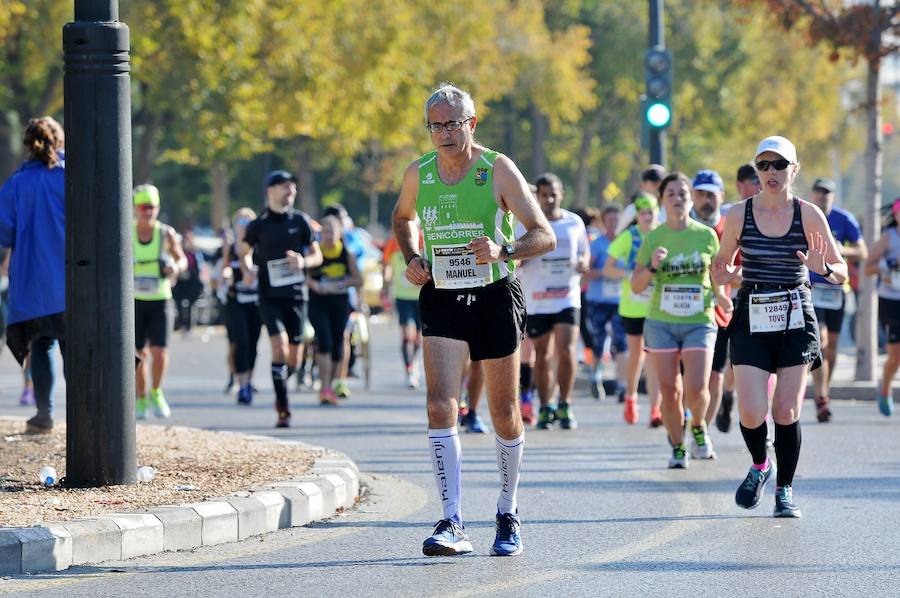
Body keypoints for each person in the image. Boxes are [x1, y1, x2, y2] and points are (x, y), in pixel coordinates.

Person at [392, 83, 554, 557]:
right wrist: (413, 255)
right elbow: (402, 219)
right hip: (441, 294)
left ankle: (507, 510)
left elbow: (543, 235)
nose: (443, 133)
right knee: (441, 403)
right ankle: (452, 520)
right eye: (435, 125)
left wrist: (504, 250)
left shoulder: (497, 169)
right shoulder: (418, 173)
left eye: (452, 123)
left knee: (503, 413)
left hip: (494, 295)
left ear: (472, 123)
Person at [713, 136, 847, 518]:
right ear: (757, 170)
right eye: (764, 165)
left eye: (780, 165)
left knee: (786, 409)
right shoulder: (740, 214)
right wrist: (722, 282)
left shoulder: (809, 215)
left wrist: (822, 268)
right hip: (752, 312)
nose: (771, 173)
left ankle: (785, 490)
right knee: (752, 412)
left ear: (794, 170)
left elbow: (841, 271)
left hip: (794, 313)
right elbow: (721, 268)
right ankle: (760, 464)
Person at [632, 173, 727, 468]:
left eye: (682, 193)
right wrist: (652, 266)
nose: (677, 199)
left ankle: (697, 426)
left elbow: (716, 277)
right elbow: (636, 285)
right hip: (661, 322)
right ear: (663, 200)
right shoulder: (654, 237)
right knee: (670, 392)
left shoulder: (706, 235)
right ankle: (677, 447)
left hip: (699, 319)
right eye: (671, 193)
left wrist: (723, 297)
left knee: (697, 388)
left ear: (690, 199)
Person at [241, 170, 323, 428]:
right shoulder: (258, 225)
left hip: (297, 296)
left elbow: (317, 256)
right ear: (270, 191)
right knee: (279, 347)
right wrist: (247, 269)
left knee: (294, 359)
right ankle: (282, 406)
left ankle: (281, 383)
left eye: (293, 187)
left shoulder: (300, 222)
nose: (291, 191)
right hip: (269, 297)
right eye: (285, 187)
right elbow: (242, 251)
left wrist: (303, 261)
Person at [0, 116, 66, 433]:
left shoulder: (16, 183)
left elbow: (5, 232)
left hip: (32, 285)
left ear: (28, 146)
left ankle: (44, 414)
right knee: (77, 348)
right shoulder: (71, 177)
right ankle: (86, 414)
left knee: (41, 345)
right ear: (59, 141)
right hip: (70, 280)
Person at [516, 173, 589, 430]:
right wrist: (521, 257)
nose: (549, 198)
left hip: (567, 296)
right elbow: (514, 257)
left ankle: (565, 403)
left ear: (562, 193)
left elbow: (584, 255)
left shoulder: (574, 222)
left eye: (554, 193)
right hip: (536, 298)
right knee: (542, 355)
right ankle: (545, 405)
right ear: (537, 196)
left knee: (567, 350)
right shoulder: (527, 224)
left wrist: (583, 264)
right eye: (544, 194)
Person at [808, 177, 867, 422]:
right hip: (811, 288)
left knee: (832, 346)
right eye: (819, 192)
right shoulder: (806, 216)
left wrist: (839, 250)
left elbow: (862, 251)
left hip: (835, 290)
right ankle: (821, 397)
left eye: (827, 193)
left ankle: (824, 391)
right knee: (820, 340)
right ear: (813, 195)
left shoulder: (844, 219)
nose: (823, 196)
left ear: (833, 196)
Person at [602, 193, 663, 426]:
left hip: (658, 305)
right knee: (637, 355)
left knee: (655, 357)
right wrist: (629, 275)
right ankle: (631, 397)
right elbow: (608, 267)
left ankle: (656, 409)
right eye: (643, 213)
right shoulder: (630, 235)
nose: (648, 216)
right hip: (633, 305)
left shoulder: (663, 234)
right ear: (637, 215)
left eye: (651, 212)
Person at [133, 184, 186, 420]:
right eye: (144, 207)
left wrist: (175, 266)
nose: (148, 212)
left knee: (160, 352)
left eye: (152, 207)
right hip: (134, 300)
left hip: (160, 298)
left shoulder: (166, 233)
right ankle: (140, 398)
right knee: (137, 354)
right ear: (135, 209)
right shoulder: (127, 232)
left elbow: (182, 259)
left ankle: (156, 391)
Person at [715, 164, 761, 432]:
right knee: (736, 361)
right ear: (739, 185)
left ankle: (761, 421)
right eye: (753, 180)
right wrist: (738, 277)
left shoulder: (773, 215)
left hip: (768, 299)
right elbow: (723, 267)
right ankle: (729, 396)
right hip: (738, 300)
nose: (758, 185)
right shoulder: (732, 216)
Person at [689, 170, 733, 431]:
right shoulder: (680, 226)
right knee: (689, 382)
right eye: (700, 194)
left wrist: (725, 276)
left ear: (721, 197)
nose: (706, 200)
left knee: (715, 379)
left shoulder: (731, 227)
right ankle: (688, 424)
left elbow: (743, 270)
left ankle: (701, 434)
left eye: (711, 195)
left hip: (719, 313)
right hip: (683, 314)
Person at [307, 215, 363, 405]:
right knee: (324, 340)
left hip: (339, 302)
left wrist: (341, 283)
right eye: (325, 231)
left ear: (339, 234)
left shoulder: (345, 253)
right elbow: (303, 275)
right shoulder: (315, 253)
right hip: (318, 301)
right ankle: (324, 387)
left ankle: (332, 385)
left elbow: (358, 280)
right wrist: (315, 285)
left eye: (332, 232)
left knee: (338, 342)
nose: (329, 235)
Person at [584, 204, 628, 402]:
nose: (613, 224)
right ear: (603, 222)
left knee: (621, 342)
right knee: (598, 340)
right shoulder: (597, 244)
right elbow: (587, 272)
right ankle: (596, 376)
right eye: (610, 221)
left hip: (620, 300)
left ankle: (622, 384)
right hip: (598, 299)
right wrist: (605, 272)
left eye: (616, 221)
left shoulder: (626, 243)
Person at [221, 208, 263, 405]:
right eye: (241, 221)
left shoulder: (260, 245)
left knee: (253, 343)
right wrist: (227, 274)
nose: (244, 225)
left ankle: (249, 379)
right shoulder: (230, 246)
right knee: (241, 341)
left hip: (255, 302)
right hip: (235, 300)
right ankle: (242, 383)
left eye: (248, 221)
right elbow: (225, 268)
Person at [863, 198, 900, 416]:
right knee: (896, 355)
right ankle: (885, 387)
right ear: (895, 215)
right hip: (891, 302)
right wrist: (887, 267)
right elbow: (868, 268)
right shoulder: (889, 238)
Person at [383, 229, 424, 389]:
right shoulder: (394, 241)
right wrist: (385, 285)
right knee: (407, 335)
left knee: (417, 338)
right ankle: (409, 371)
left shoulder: (423, 237)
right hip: (402, 296)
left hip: (421, 296)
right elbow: (386, 264)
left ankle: (414, 362)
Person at [616, 164, 667, 235]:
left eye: (662, 183)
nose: (659, 187)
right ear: (643, 185)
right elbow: (618, 235)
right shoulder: (633, 209)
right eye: (654, 183)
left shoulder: (669, 209)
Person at [173, 230, 206, 335]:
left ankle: (188, 326)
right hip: (180, 283)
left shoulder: (196, 254)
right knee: (179, 304)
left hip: (192, 283)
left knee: (190, 305)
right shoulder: (179, 252)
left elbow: (200, 268)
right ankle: (181, 324)